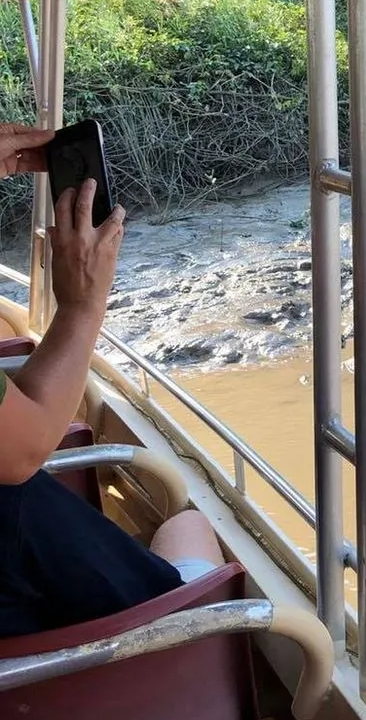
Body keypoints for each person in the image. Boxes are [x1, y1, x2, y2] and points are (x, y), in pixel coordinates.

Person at [0, 122, 225, 639]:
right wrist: (83, 303)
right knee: (188, 524)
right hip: (116, 676)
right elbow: (22, 452)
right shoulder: (16, 500)